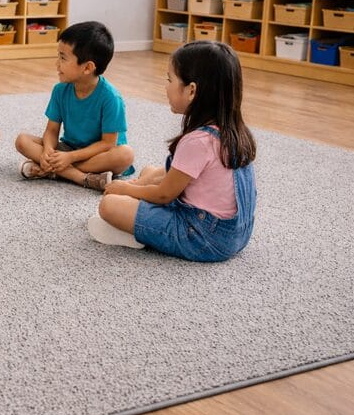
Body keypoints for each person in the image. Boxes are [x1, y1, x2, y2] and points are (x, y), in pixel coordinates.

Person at [87, 40, 257, 262]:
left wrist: (125, 189)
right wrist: (138, 184)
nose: (166, 86)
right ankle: (138, 210)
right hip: (237, 234)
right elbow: (175, 177)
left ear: (192, 90)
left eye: (170, 79)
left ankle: (137, 235)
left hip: (204, 238)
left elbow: (164, 195)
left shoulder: (198, 141)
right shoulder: (233, 132)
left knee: (109, 205)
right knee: (149, 171)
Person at [15, 21, 134, 191]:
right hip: (69, 148)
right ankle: (81, 178)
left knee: (125, 155)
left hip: (98, 154)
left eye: (63, 58)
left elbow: (107, 144)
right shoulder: (60, 90)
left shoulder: (111, 97)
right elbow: (52, 130)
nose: (57, 64)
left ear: (87, 68)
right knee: (22, 141)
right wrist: (48, 151)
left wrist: (69, 157)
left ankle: (51, 170)